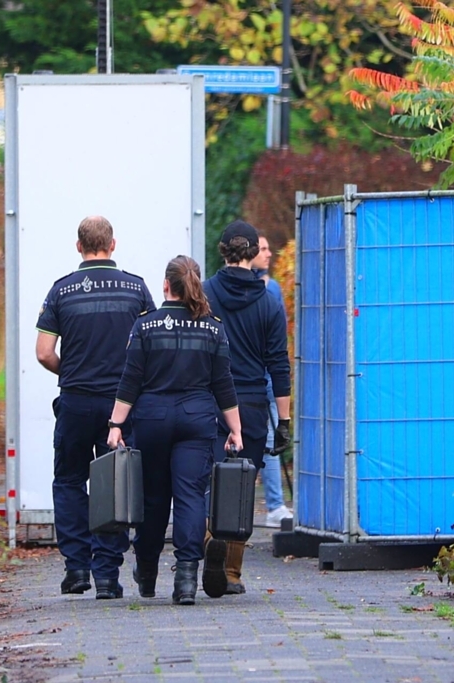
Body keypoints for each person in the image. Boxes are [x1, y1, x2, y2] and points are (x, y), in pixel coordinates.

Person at [106, 255, 243, 605]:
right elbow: (223, 385)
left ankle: (147, 573)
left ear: (166, 285)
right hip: (196, 419)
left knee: (153, 499)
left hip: (152, 420)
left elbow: (130, 381)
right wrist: (235, 430)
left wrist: (116, 424)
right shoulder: (213, 327)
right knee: (190, 497)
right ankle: (185, 579)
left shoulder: (146, 326)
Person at [36, 215, 156, 600]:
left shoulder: (61, 292)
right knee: (116, 483)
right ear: (113, 245)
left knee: (70, 479)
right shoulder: (136, 290)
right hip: (119, 407)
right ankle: (107, 575)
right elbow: (148, 350)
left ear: (78, 246)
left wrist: (69, 370)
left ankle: (76, 568)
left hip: (74, 400)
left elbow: (43, 353)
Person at [201, 220, 291, 598]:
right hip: (252, 405)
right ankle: (232, 571)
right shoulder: (269, 300)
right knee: (241, 487)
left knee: (205, 482)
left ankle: (205, 549)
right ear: (254, 253)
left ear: (223, 250)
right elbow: (279, 364)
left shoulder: (204, 294)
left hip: (208, 401)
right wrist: (283, 420)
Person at [250, 234, 293, 528]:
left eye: (268, 248)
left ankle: (276, 505)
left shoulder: (273, 288)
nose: (268, 254)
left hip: (266, 377)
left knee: (270, 441)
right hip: (253, 378)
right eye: (262, 249)